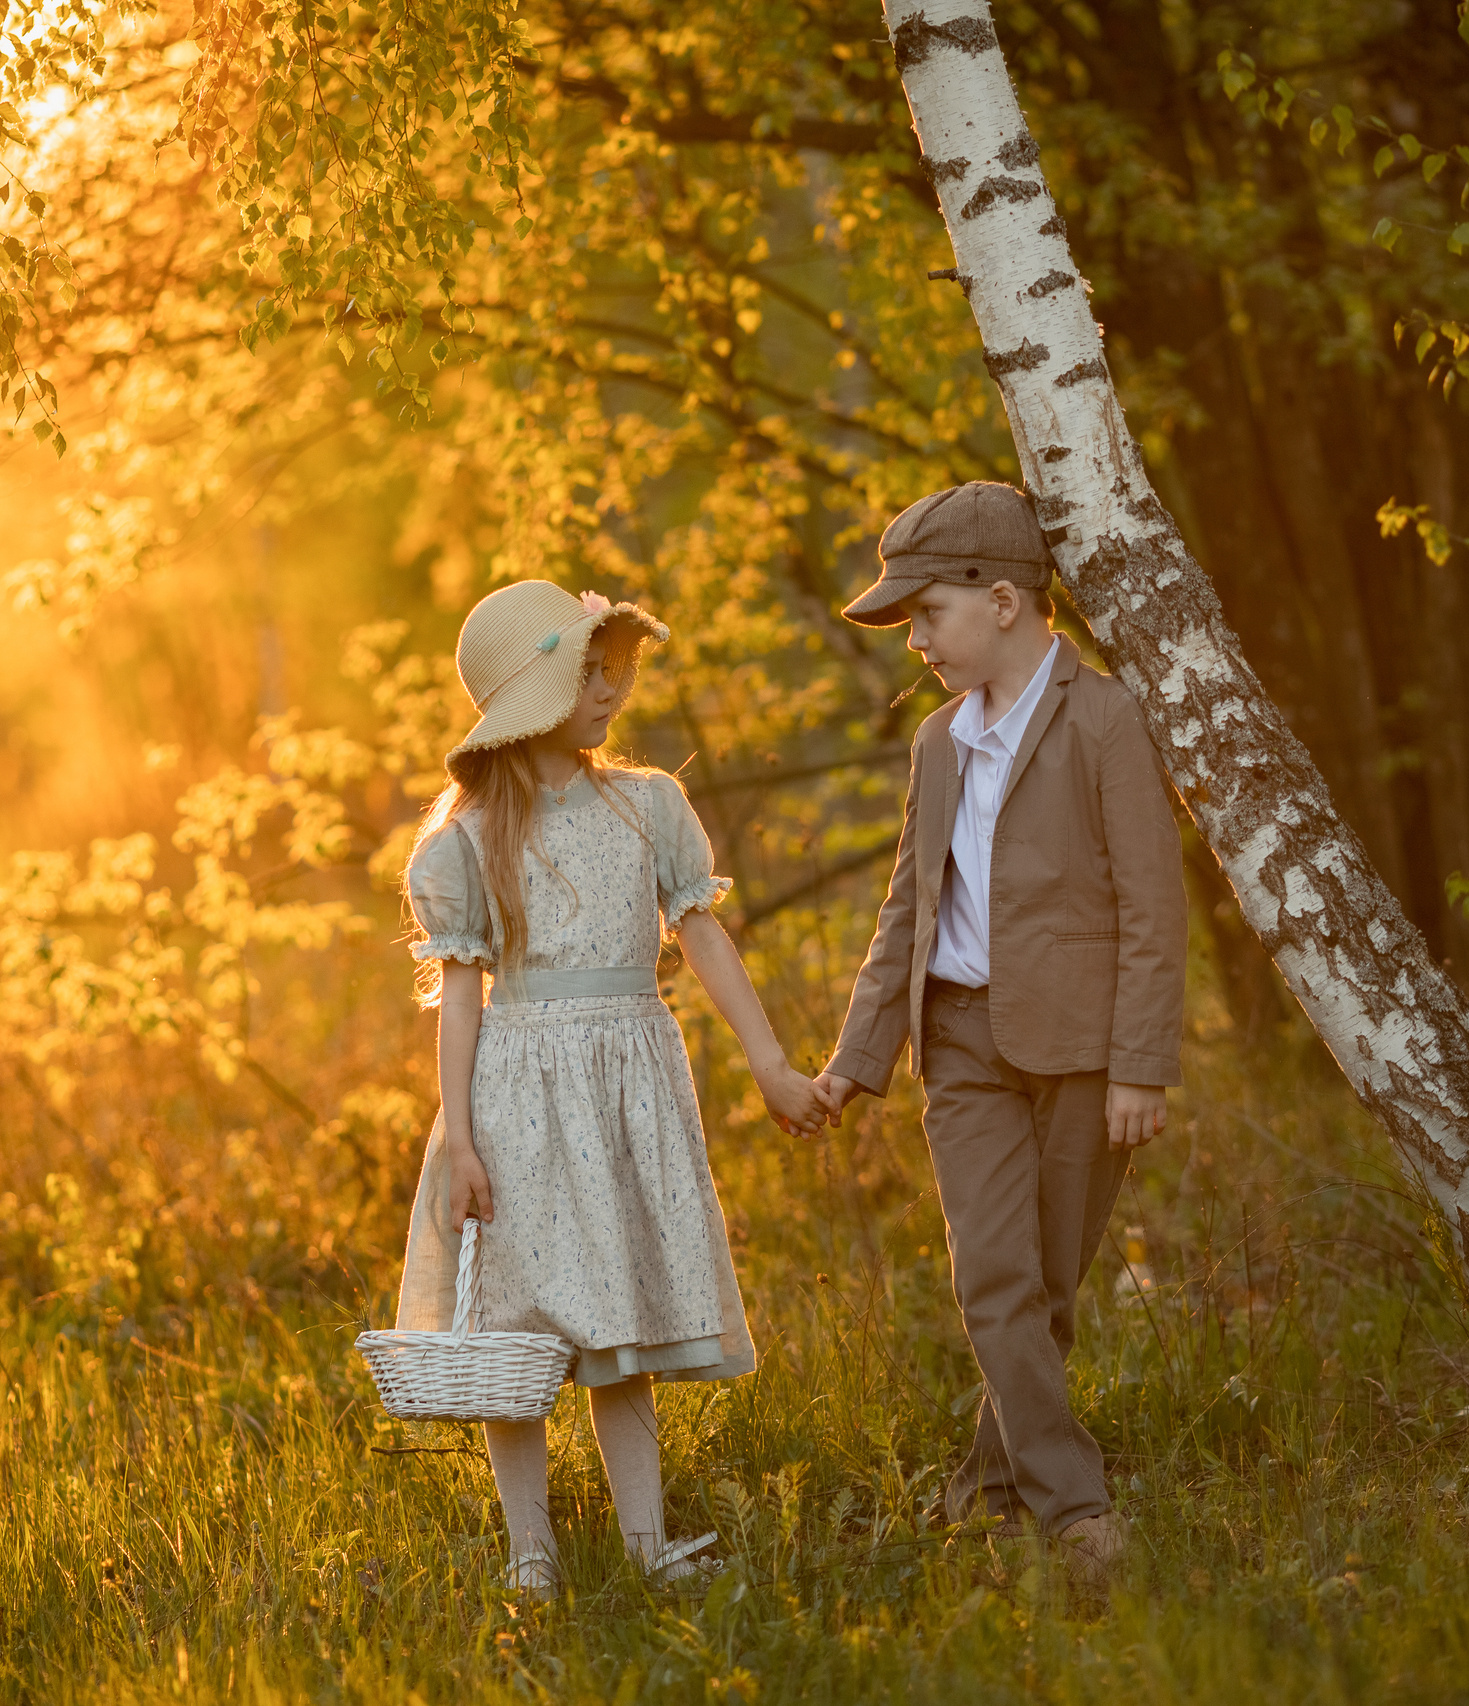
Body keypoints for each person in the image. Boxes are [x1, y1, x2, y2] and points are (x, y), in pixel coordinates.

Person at [395, 580, 830, 1600]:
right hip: (519, 1090)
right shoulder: (463, 840)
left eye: (614, 668)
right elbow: (460, 999)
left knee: (619, 1304)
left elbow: (705, 938)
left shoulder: (648, 806)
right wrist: (461, 1138)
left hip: (629, 1072)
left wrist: (770, 1061)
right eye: (589, 671)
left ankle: (645, 1538)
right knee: (520, 1317)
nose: (612, 688)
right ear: (536, 691)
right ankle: (530, 1550)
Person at [810, 482, 1187, 1588]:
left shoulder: (1105, 718)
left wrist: (1139, 1063)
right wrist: (854, 1058)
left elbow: (1151, 906)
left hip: (1081, 1048)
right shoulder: (937, 742)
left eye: (926, 614)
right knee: (992, 1275)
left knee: (1050, 1290)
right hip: (962, 1043)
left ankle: (984, 1489)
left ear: (1005, 599)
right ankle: (1076, 1509)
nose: (916, 640)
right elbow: (905, 907)